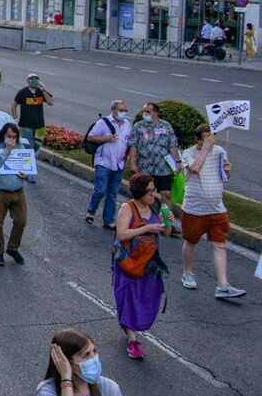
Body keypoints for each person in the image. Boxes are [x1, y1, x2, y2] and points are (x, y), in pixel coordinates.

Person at [179, 125, 247, 299]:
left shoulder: (219, 151)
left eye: (212, 137)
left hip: (217, 208)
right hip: (195, 209)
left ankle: (223, 285)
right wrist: (206, 149)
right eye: (206, 138)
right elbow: (195, 168)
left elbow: (224, 176)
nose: (211, 140)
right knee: (191, 242)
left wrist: (227, 171)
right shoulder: (188, 153)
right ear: (198, 140)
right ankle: (188, 273)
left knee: (220, 244)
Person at [114, 174, 166, 361]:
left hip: (149, 262)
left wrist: (166, 223)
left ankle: (130, 324)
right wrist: (146, 228)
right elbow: (121, 234)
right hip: (129, 261)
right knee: (130, 297)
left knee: (147, 297)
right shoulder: (127, 208)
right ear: (140, 192)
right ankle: (132, 340)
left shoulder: (155, 206)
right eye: (150, 191)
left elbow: (164, 231)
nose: (154, 194)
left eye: (154, 190)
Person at [125, 102, 182, 236]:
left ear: (156, 113)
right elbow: (133, 146)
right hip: (145, 167)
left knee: (166, 195)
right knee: (144, 194)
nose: (145, 114)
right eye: (144, 111)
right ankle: (143, 221)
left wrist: (177, 161)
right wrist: (132, 162)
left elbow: (173, 145)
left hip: (163, 168)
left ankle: (167, 224)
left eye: (148, 112)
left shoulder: (166, 126)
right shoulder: (139, 126)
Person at [0, 123, 30, 266]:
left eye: (14, 137)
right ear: (3, 134)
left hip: (18, 191)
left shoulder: (20, 147)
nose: (12, 140)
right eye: (9, 136)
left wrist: (26, 174)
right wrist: (7, 150)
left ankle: (12, 247)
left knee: (21, 221)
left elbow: (25, 165)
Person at [85, 99, 132, 230]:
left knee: (112, 193)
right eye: (121, 110)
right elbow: (91, 137)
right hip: (104, 161)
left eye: (125, 110)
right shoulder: (103, 123)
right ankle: (91, 211)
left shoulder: (127, 125)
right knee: (100, 190)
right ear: (113, 110)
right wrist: (107, 138)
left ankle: (108, 220)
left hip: (119, 164)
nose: (124, 113)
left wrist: (128, 158)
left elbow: (128, 143)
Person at [11, 73, 53, 175]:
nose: (34, 80)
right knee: (27, 149)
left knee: (36, 149)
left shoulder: (41, 92)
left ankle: (30, 169)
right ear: (27, 81)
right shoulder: (22, 92)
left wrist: (43, 89)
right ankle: (27, 172)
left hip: (40, 127)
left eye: (36, 79)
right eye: (31, 79)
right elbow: (14, 106)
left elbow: (51, 102)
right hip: (25, 126)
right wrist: (16, 119)